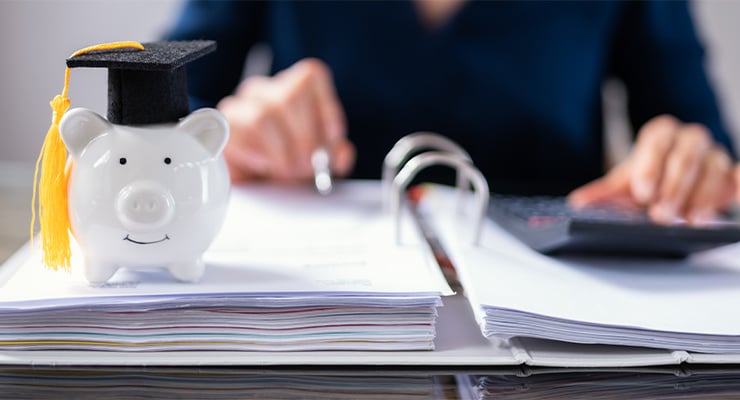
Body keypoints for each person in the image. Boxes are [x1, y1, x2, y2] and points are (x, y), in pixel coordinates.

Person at [166, 0, 737, 225]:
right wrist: (222, 137)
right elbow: (157, 91)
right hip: (326, 303)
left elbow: (710, 148)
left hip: (554, 326)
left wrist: (687, 162)